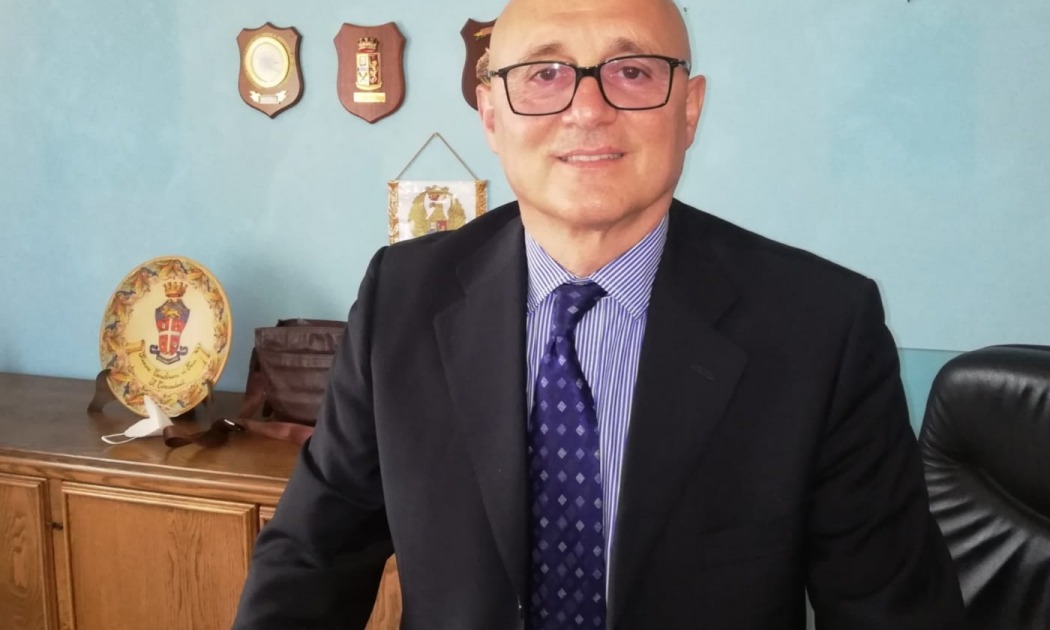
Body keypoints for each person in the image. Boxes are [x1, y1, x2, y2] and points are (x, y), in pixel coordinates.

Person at [233, 0, 967, 627]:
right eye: (543, 74)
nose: (588, 109)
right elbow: (312, 558)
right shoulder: (401, 296)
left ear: (689, 109)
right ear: (491, 114)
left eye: (633, 72)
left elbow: (892, 612)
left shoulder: (821, 328)